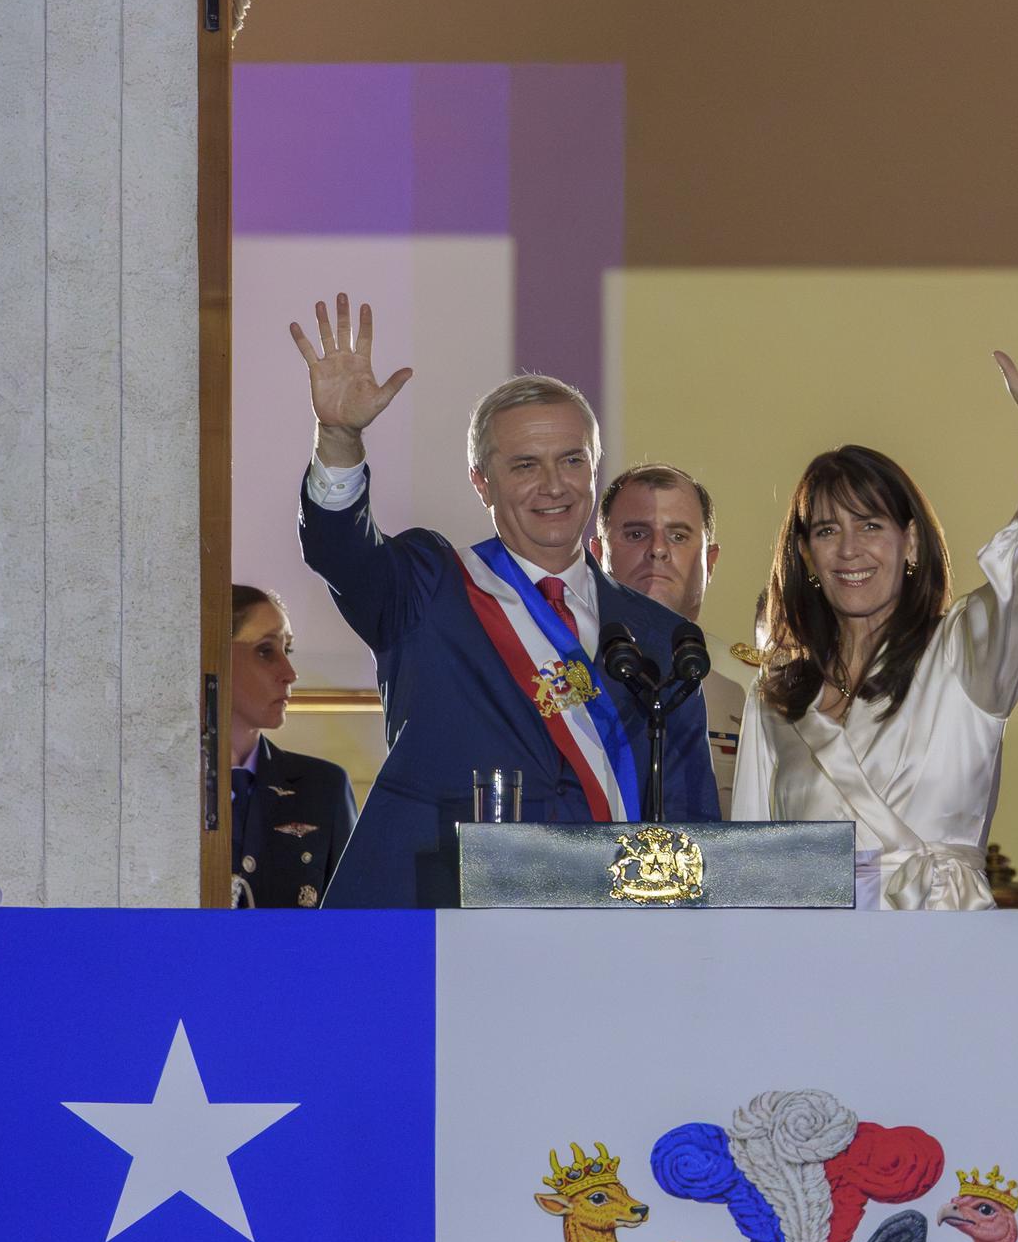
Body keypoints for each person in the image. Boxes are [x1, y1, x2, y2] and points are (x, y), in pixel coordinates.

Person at [290, 293, 720, 909]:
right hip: (442, 925)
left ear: (594, 470)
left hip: (606, 941)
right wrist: (338, 437)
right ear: (481, 481)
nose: (553, 485)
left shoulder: (659, 636)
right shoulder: (431, 587)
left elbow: (690, 827)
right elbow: (341, 551)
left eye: (572, 461)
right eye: (525, 465)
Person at [732, 295, 1018, 910]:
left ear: (911, 541)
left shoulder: (964, 654)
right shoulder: (776, 699)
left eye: (870, 525)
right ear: (806, 556)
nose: (849, 550)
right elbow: (752, 867)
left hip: (940, 954)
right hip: (815, 966)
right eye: (826, 531)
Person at [595, 463, 748, 816]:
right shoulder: (564, 670)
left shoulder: (754, 685)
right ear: (598, 554)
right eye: (636, 534)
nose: (658, 550)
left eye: (678, 536)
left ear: (710, 562)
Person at [227, 585, 359, 908]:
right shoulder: (160, 788)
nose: (289, 673)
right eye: (265, 651)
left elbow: (354, 924)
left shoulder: (324, 788)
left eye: (288, 650)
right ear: (214, 652)